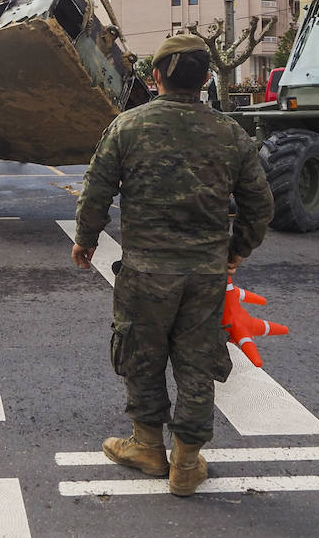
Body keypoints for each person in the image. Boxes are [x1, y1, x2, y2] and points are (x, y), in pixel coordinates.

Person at [72, 34, 273, 497]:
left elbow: (97, 190)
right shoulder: (231, 134)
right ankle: (186, 463)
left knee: (142, 356)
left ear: (156, 76)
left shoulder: (128, 127)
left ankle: (146, 447)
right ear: (205, 79)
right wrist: (236, 251)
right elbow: (260, 205)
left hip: (145, 272)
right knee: (197, 364)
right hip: (205, 274)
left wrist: (85, 240)